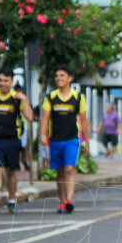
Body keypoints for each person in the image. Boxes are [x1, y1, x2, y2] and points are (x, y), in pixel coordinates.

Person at [0, 68, 34, 214]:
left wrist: (24, 99)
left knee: (10, 172)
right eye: (0, 80)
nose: (2, 84)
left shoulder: (17, 98)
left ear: (11, 82)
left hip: (12, 141)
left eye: (5, 81)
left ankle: (11, 200)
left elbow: (30, 117)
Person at [40, 65, 90, 214]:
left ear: (70, 78)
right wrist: (43, 134)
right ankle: (62, 202)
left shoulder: (78, 97)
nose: (59, 78)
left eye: (62, 75)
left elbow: (83, 121)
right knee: (60, 172)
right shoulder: (51, 97)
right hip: (55, 139)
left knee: (69, 169)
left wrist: (86, 142)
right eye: (57, 76)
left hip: (72, 139)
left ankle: (69, 200)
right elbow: (45, 117)